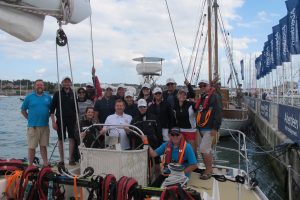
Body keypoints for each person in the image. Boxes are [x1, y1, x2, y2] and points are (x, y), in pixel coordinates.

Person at [195, 80, 222, 180]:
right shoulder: (201, 97)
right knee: (204, 150)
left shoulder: (214, 97)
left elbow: (218, 112)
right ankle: (208, 168)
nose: (202, 87)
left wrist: (215, 128)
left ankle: (208, 171)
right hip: (201, 128)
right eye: (200, 85)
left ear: (209, 86)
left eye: (204, 85)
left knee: (203, 149)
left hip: (209, 128)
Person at [21, 79, 52, 166]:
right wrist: (29, 119)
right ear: (34, 86)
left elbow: (52, 110)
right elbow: (23, 110)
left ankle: (45, 164)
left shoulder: (48, 97)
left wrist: (48, 116)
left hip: (45, 126)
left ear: (43, 86)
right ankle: (30, 165)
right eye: (38, 85)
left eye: (41, 85)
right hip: (33, 126)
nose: (39, 86)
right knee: (32, 147)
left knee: (43, 146)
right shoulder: (29, 97)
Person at [50, 76, 77, 166]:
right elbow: (52, 110)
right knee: (61, 139)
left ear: (70, 83)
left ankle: (70, 158)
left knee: (71, 138)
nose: (66, 83)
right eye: (65, 82)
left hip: (71, 119)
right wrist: (53, 122)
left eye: (68, 81)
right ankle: (61, 159)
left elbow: (76, 109)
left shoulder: (73, 94)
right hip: (60, 119)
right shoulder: (57, 94)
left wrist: (77, 121)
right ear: (62, 83)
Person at [174, 89, 198, 153]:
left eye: (184, 94)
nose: (182, 96)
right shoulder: (175, 106)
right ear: (177, 96)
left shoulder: (191, 104)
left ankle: (194, 162)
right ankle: (182, 162)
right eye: (180, 94)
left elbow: (200, 111)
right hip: (180, 131)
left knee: (192, 151)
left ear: (186, 96)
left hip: (191, 131)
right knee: (181, 151)